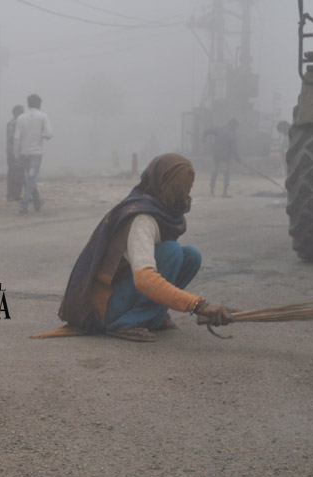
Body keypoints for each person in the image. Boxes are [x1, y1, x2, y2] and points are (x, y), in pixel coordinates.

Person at [56, 153, 233, 342]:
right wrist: (198, 305)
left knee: (191, 256)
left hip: (122, 291)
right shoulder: (143, 218)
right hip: (103, 308)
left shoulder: (161, 210)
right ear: (162, 184)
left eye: (187, 189)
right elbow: (144, 280)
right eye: (178, 189)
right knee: (171, 252)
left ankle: (151, 316)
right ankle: (125, 322)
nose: (183, 196)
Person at [14, 94, 53, 214]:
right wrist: (39, 134)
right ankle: (24, 205)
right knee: (31, 179)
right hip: (36, 152)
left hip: (24, 153)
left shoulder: (21, 118)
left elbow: (17, 138)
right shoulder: (43, 116)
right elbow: (49, 134)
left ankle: (37, 201)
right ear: (38, 104)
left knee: (30, 179)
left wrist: (17, 155)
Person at [202, 118, 239, 197]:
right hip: (226, 158)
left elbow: (206, 131)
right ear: (232, 126)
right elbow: (233, 149)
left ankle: (211, 192)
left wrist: (203, 138)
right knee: (226, 173)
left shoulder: (219, 129)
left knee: (214, 173)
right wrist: (237, 158)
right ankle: (224, 193)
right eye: (235, 127)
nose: (235, 129)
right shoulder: (232, 135)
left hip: (216, 155)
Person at [5, 105, 25, 202]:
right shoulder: (17, 123)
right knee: (19, 174)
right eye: (22, 112)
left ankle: (10, 195)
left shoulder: (10, 122)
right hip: (16, 153)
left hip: (10, 152)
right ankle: (16, 195)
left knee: (12, 173)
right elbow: (13, 139)